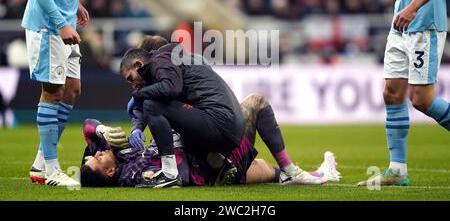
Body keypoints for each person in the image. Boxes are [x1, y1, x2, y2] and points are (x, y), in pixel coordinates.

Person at [359, 0, 450, 187]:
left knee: (421, 100)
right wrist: (403, 10)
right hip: (400, 27)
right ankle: (397, 170)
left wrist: (412, 8)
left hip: (424, 25)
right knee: (391, 92)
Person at [80, 93, 340, 187]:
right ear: (111, 172)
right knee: (255, 103)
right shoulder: (133, 174)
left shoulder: (120, 155)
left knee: (262, 170)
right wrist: (178, 135)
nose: (98, 154)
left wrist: (101, 130)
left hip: (211, 159)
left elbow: (88, 126)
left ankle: (312, 174)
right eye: (98, 160)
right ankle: (293, 170)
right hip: (211, 166)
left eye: (95, 154)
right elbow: (177, 177)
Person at [22, 0, 101, 187]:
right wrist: (61, 22)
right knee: (53, 92)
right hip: (48, 26)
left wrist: (75, 3)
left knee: (73, 90)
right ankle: (52, 170)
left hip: (64, 22)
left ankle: (41, 162)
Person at [119, 41, 246, 188]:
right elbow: (153, 95)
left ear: (139, 64)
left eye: (130, 78)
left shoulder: (160, 61)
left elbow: (170, 89)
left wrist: (137, 96)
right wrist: (137, 127)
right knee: (172, 117)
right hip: (229, 126)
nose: (133, 85)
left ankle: (169, 174)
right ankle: (219, 164)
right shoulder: (170, 60)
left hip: (219, 123)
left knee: (152, 106)